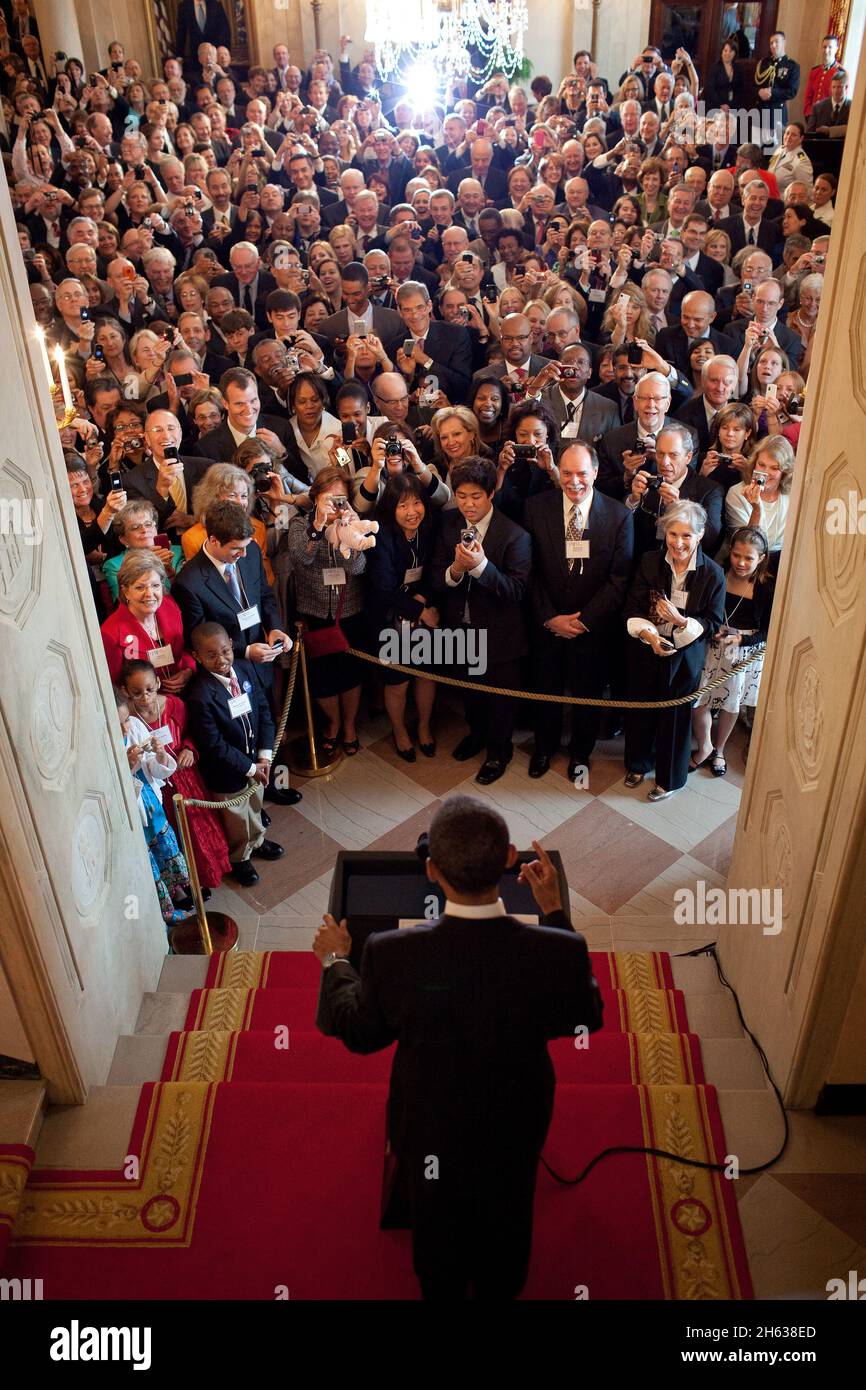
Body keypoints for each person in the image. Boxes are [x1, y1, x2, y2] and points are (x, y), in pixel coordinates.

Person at [312, 795, 604, 1300]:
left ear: (431, 870)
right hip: (518, 1120)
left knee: (436, 1223)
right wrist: (554, 912)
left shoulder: (391, 954)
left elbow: (359, 1032)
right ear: (511, 858)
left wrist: (336, 963)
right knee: (511, 1206)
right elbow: (583, 1014)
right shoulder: (559, 949)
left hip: (429, 1124)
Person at [523, 442, 633, 779]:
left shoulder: (619, 516)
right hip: (548, 623)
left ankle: (581, 753)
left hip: (593, 629)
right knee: (546, 690)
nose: (574, 481)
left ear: (596, 473)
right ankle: (544, 748)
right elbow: (528, 571)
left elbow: (619, 579)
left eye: (582, 473)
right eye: (567, 473)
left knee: (588, 695)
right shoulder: (534, 508)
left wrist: (584, 621)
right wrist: (549, 618)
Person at [428, 457, 532, 785]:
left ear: (490, 494)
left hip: (501, 635)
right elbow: (433, 576)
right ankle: (476, 736)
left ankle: (499, 752)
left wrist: (481, 566)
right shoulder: (447, 526)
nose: (468, 504)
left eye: (475, 496)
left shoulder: (515, 535)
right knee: (469, 693)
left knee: (500, 701)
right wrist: (456, 570)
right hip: (460, 628)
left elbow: (516, 590)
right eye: (461, 496)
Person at [623, 500, 725, 801]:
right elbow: (633, 606)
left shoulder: (713, 574)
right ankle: (638, 763)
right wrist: (651, 636)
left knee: (676, 719)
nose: (678, 543)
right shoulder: (649, 562)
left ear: (700, 535)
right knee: (640, 709)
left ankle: (669, 779)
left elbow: (713, 621)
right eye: (673, 534)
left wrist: (681, 622)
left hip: (685, 656)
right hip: (648, 647)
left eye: (686, 536)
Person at [184, 623, 284, 889]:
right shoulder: (200, 694)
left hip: (255, 762)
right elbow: (214, 745)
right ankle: (241, 857)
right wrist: (250, 768)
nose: (221, 660)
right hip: (228, 771)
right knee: (237, 818)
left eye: (225, 651)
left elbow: (263, 710)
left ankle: (258, 840)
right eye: (211, 655)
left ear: (231, 643)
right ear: (197, 657)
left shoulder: (245, 668)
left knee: (254, 805)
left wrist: (264, 756)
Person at [120, 657, 231, 890]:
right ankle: (185, 883)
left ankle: (211, 871)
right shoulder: (127, 720)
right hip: (158, 785)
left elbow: (194, 731)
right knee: (173, 833)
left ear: (158, 683)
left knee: (199, 826)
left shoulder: (173, 705)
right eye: (137, 692)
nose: (145, 697)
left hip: (185, 778)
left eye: (149, 689)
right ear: (126, 692)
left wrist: (190, 748)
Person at [285, 466, 368, 756]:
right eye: (329, 498)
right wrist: (318, 527)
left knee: (350, 674)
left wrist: (348, 534)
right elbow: (300, 559)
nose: (335, 504)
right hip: (314, 611)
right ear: (316, 497)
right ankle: (332, 723)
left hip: (350, 610)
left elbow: (357, 568)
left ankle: (349, 725)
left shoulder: (353, 522)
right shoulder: (300, 524)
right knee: (323, 678)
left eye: (341, 498)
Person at [690, 527, 775, 777]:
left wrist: (742, 640)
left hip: (744, 651)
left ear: (760, 558)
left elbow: (770, 629)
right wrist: (712, 629)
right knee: (698, 700)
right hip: (712, 644)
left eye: (749, 558)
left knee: (731, 704)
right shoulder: (717, 574)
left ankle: (719, 749)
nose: (741, 562)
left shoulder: (766, 587)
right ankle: (704, 745)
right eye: (737, 555)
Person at [365, 474, 439, 760]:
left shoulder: (430, 527)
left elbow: (436, 568)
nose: (412, 512)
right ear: (390, 509)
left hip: (423, 612)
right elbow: (383, 588)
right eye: (403, 505)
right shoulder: (380, 535)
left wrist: (424, 599)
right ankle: (400, 731)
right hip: (387, 617)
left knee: (425, 674)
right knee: (398, 681)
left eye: (417, 503)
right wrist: (420, 610)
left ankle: (423, 726)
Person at [115, 687, 194, 926]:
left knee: (165, 846)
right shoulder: (103, 745)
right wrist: (126, 765)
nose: (126, 728)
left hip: (150, 800)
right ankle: (166, 908)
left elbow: (154, 769)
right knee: (150, 857)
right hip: (133, 810)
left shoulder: (136, 727)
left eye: (126, 719)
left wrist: (159, 755)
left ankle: (178, 889)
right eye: (117, 724)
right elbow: (112, 784)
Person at [101, 551, 195, 690]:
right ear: (125, 591)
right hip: (145, 705)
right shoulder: (110, 633)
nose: (149, 594)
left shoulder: (170, 606)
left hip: (186, 690)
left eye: (155, 585)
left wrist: (188, 670)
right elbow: (115, 687)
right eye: (140, 587)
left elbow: (185, 650)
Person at [724, 435, 795, 560]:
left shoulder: (792, 495)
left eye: (774, 468)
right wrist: (757, 508)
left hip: (780, 562)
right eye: (761, 465)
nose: (766, 472)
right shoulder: (736, 493)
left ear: (785, 472)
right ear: (753, 464)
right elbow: (747, 544)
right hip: (747, 563)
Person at [103, 498, 185, 602]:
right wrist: (150, 564)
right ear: (123, 539)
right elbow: (124, 604)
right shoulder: (115, 565)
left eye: (148, 524)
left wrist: (171, 574)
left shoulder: (176, 552)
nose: (144, 530)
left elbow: (185, 595)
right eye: (135, 527)